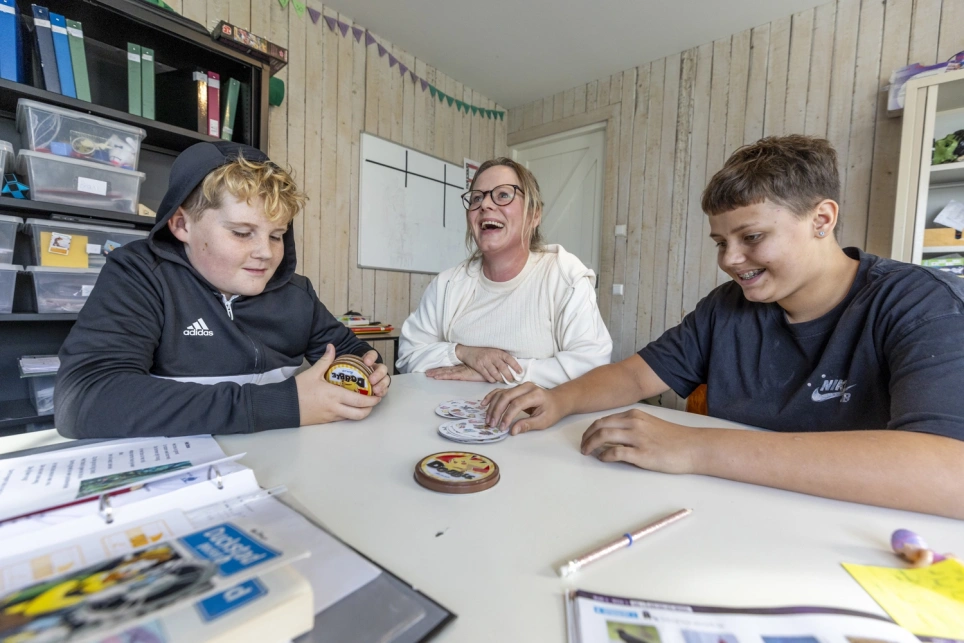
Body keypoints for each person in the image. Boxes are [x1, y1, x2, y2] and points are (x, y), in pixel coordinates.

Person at [482, 135, 964, 519]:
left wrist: (695, 446)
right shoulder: (727, 307)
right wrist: (557, 399)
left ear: (822, 219)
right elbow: (634, 376)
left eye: (751, 237)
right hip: (731, 518)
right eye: (720, 242)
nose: (731, 260)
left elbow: (948, 472)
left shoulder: (919, 303)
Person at [55, 141, 390, 439]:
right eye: (242, 233)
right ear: (182, 224)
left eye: (276, 235)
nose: (266, 252)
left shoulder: (297, 293)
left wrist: (368, 371)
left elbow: (350, 351)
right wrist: (285, 404)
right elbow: (86, 398)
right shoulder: (139, 275)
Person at [396, 158, 612, 387]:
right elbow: (408, 356)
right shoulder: (447, 284)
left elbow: (592, 367)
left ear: (534, 215)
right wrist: (463, 353)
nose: (485, 205)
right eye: (477, 197)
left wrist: (497, 372)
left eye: (503, 195)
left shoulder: (564, 276)